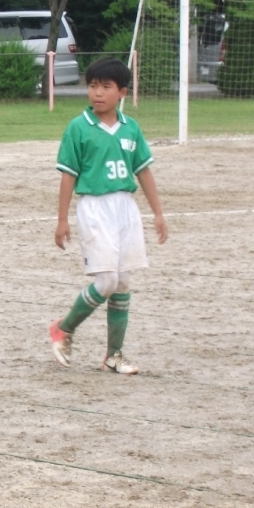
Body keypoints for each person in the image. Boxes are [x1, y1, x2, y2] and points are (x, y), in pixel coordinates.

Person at [49, 57, 168, 375]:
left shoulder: (131, 128)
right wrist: (62, 219)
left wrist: (158, 213)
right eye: (92, 86)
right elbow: (68, 176)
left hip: (125, 208)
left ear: (122, 92)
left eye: (105, 86)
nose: (97, 93)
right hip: (94, 208)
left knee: (123, 282)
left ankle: (114, 355)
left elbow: (143, 172)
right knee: (107, 281)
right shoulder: (78, 128)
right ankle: (63, 328)